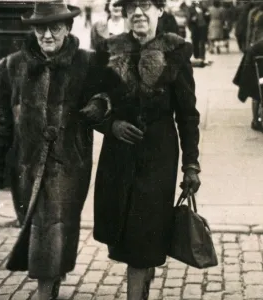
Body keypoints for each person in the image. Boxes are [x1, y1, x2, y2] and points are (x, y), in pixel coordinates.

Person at [0, 1, 110, 299]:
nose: (47, 35)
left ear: (67, 28)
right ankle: (51, 280)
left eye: (54, 28)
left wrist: (98, 106)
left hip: (69, 165)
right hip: (26, 166)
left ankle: (46, 289)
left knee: (51, 228)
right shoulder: (11, 67)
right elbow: (1, 122)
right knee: (43, 229)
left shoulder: (87, 63)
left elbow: (106, 99)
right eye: (41, 28)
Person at [87, 0, 201, 299]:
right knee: (126, 234)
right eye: (131, 6)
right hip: (118, 158)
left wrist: (191, 165)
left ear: (160, 10)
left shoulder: (176, 52)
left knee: (142, 236)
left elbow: (188, 114)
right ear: (124, 13)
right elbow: (90, 103)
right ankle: (144, 272)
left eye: (147, 5)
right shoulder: (109, 50)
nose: (138, 12)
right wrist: (110, 125)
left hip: (158, 159)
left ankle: (136, 291)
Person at [233, 38, 263, 132]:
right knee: (257, 92)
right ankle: (255, 121)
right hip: (254, 66)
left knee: (257, 92)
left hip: (256, 63)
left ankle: (256, 120)